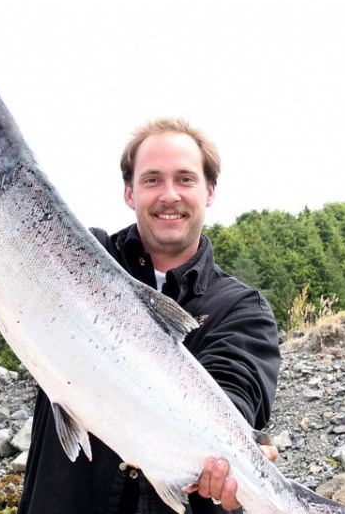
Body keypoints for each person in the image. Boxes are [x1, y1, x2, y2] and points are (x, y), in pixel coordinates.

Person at [17, 117, 281, 513]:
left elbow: (236, 393)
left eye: (186, 179)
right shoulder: (78, 262)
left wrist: (225, 460)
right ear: (130, 192)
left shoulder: (242, 310)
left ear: (209, 191)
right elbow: (7, 243)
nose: (169, 195)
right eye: (152, 179)